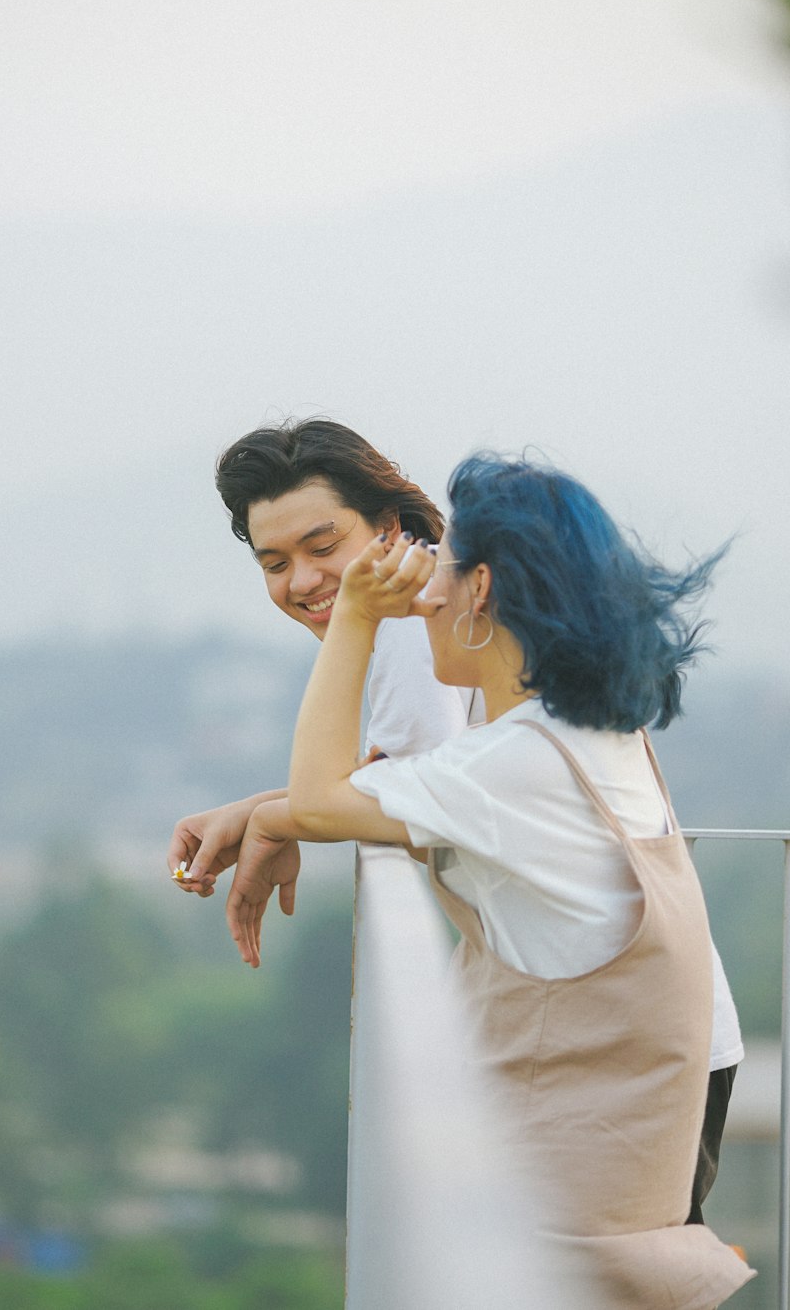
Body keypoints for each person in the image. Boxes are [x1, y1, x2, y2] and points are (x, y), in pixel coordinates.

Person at [223, 453, 753, 1307]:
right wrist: (264, 812)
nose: (424, 593)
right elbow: (363, 792)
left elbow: (323, 800)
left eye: (443, 571)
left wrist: (358, 618)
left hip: (595, 1117)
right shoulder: (578, 733)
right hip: (639, 1084)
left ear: (481, 592)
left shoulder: (518, 762)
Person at [167, 417, 478, 908]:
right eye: (276, 565)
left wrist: (274, 819)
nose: (304, 581)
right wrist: (260, 810)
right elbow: (405, 782)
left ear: (389, 526)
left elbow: (426, 813)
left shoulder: (412, 615)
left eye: (324, 548)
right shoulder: (439, 595)